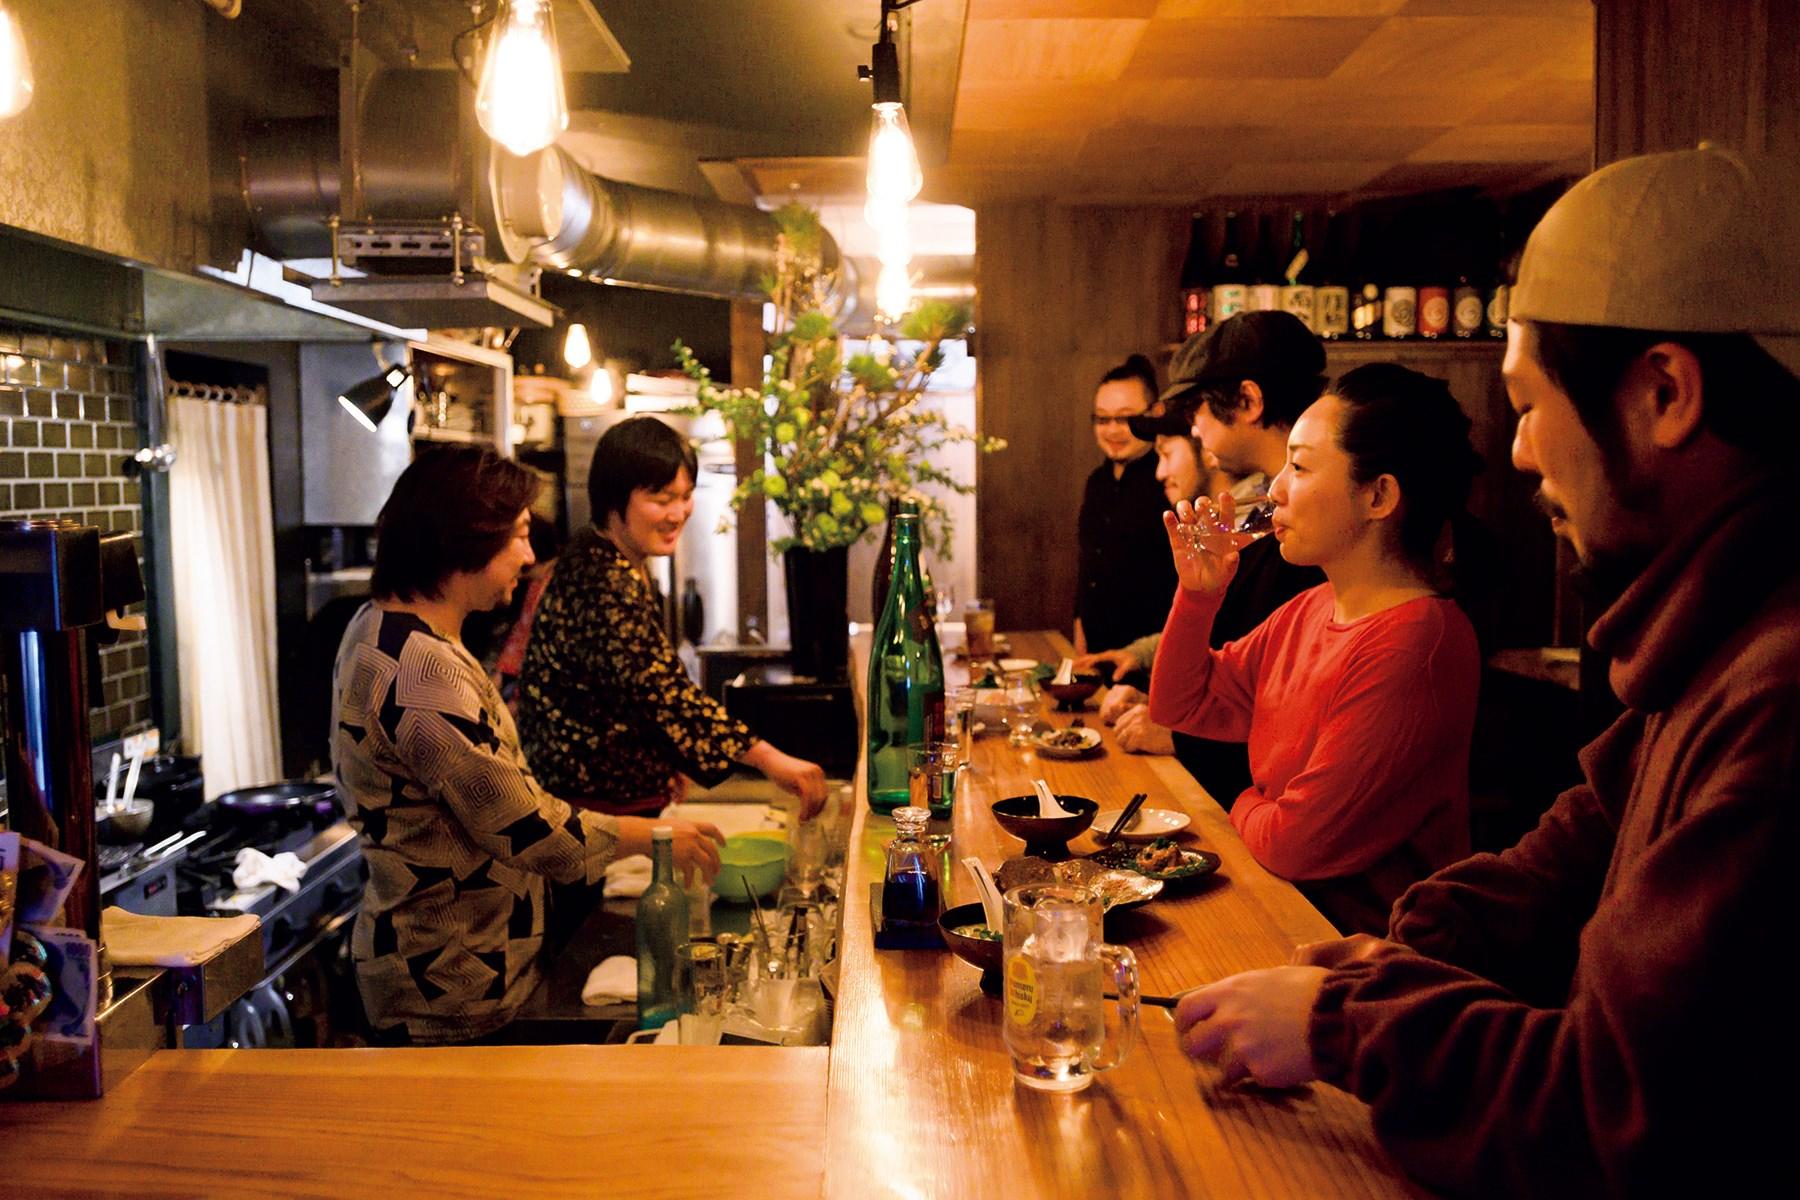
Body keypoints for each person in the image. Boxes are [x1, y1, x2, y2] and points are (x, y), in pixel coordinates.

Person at [1170, 146, 1800, 1197]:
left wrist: (1346, 1023)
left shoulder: (1774, 693)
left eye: (1531, 403)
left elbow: (1613, 1116)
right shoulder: (1704, 649)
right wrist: (1397, 957)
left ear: (1664, 392)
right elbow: (1567, 852)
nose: (1519, 452)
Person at [332, 447, 724, 1045]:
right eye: (517, 535)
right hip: (449, 983)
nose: (529, 555)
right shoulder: (421, 670)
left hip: (451, 962)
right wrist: (657, 835)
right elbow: (526, 829)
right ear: (463, 540)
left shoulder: (381, 625)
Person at [1149, 363, 1485, 935]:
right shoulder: (1311, 608)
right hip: (1281, 910)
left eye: (1299, 467)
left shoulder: (1418, 641)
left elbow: (1294, 844)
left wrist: (1243, 799)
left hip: (1365, 953)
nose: (1275, 489)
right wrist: (1199, 595)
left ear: (1378, 495)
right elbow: (1180, 705)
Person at [519, 417, 827, 817]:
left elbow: (629, 691)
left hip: (605, 797)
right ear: (614, 498)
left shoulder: (606, 554)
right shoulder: (601, 579)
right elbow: (663, 694)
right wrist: (770, 759)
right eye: (662, 499)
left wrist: (666, 758)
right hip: (592, 811)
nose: (678, 513)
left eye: (686, 496)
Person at [1079, 313, 1327, 803]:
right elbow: (1232, 675)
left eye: (1197, 409)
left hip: (1270, 806)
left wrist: (1188, 738)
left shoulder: (1312, 531)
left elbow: (1296, 716)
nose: (1193, 427)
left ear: (1249, 402)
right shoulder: (1261, 517)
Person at [1073, 354, 1175, 655]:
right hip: (1097, 654)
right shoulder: (1097, 481)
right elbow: (1087, 567)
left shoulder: (1170, 481)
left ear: (1154, 413)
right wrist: (1080, 630)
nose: (1113, 430)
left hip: (1150, 655)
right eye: (1103, 419)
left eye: (1125, 419)